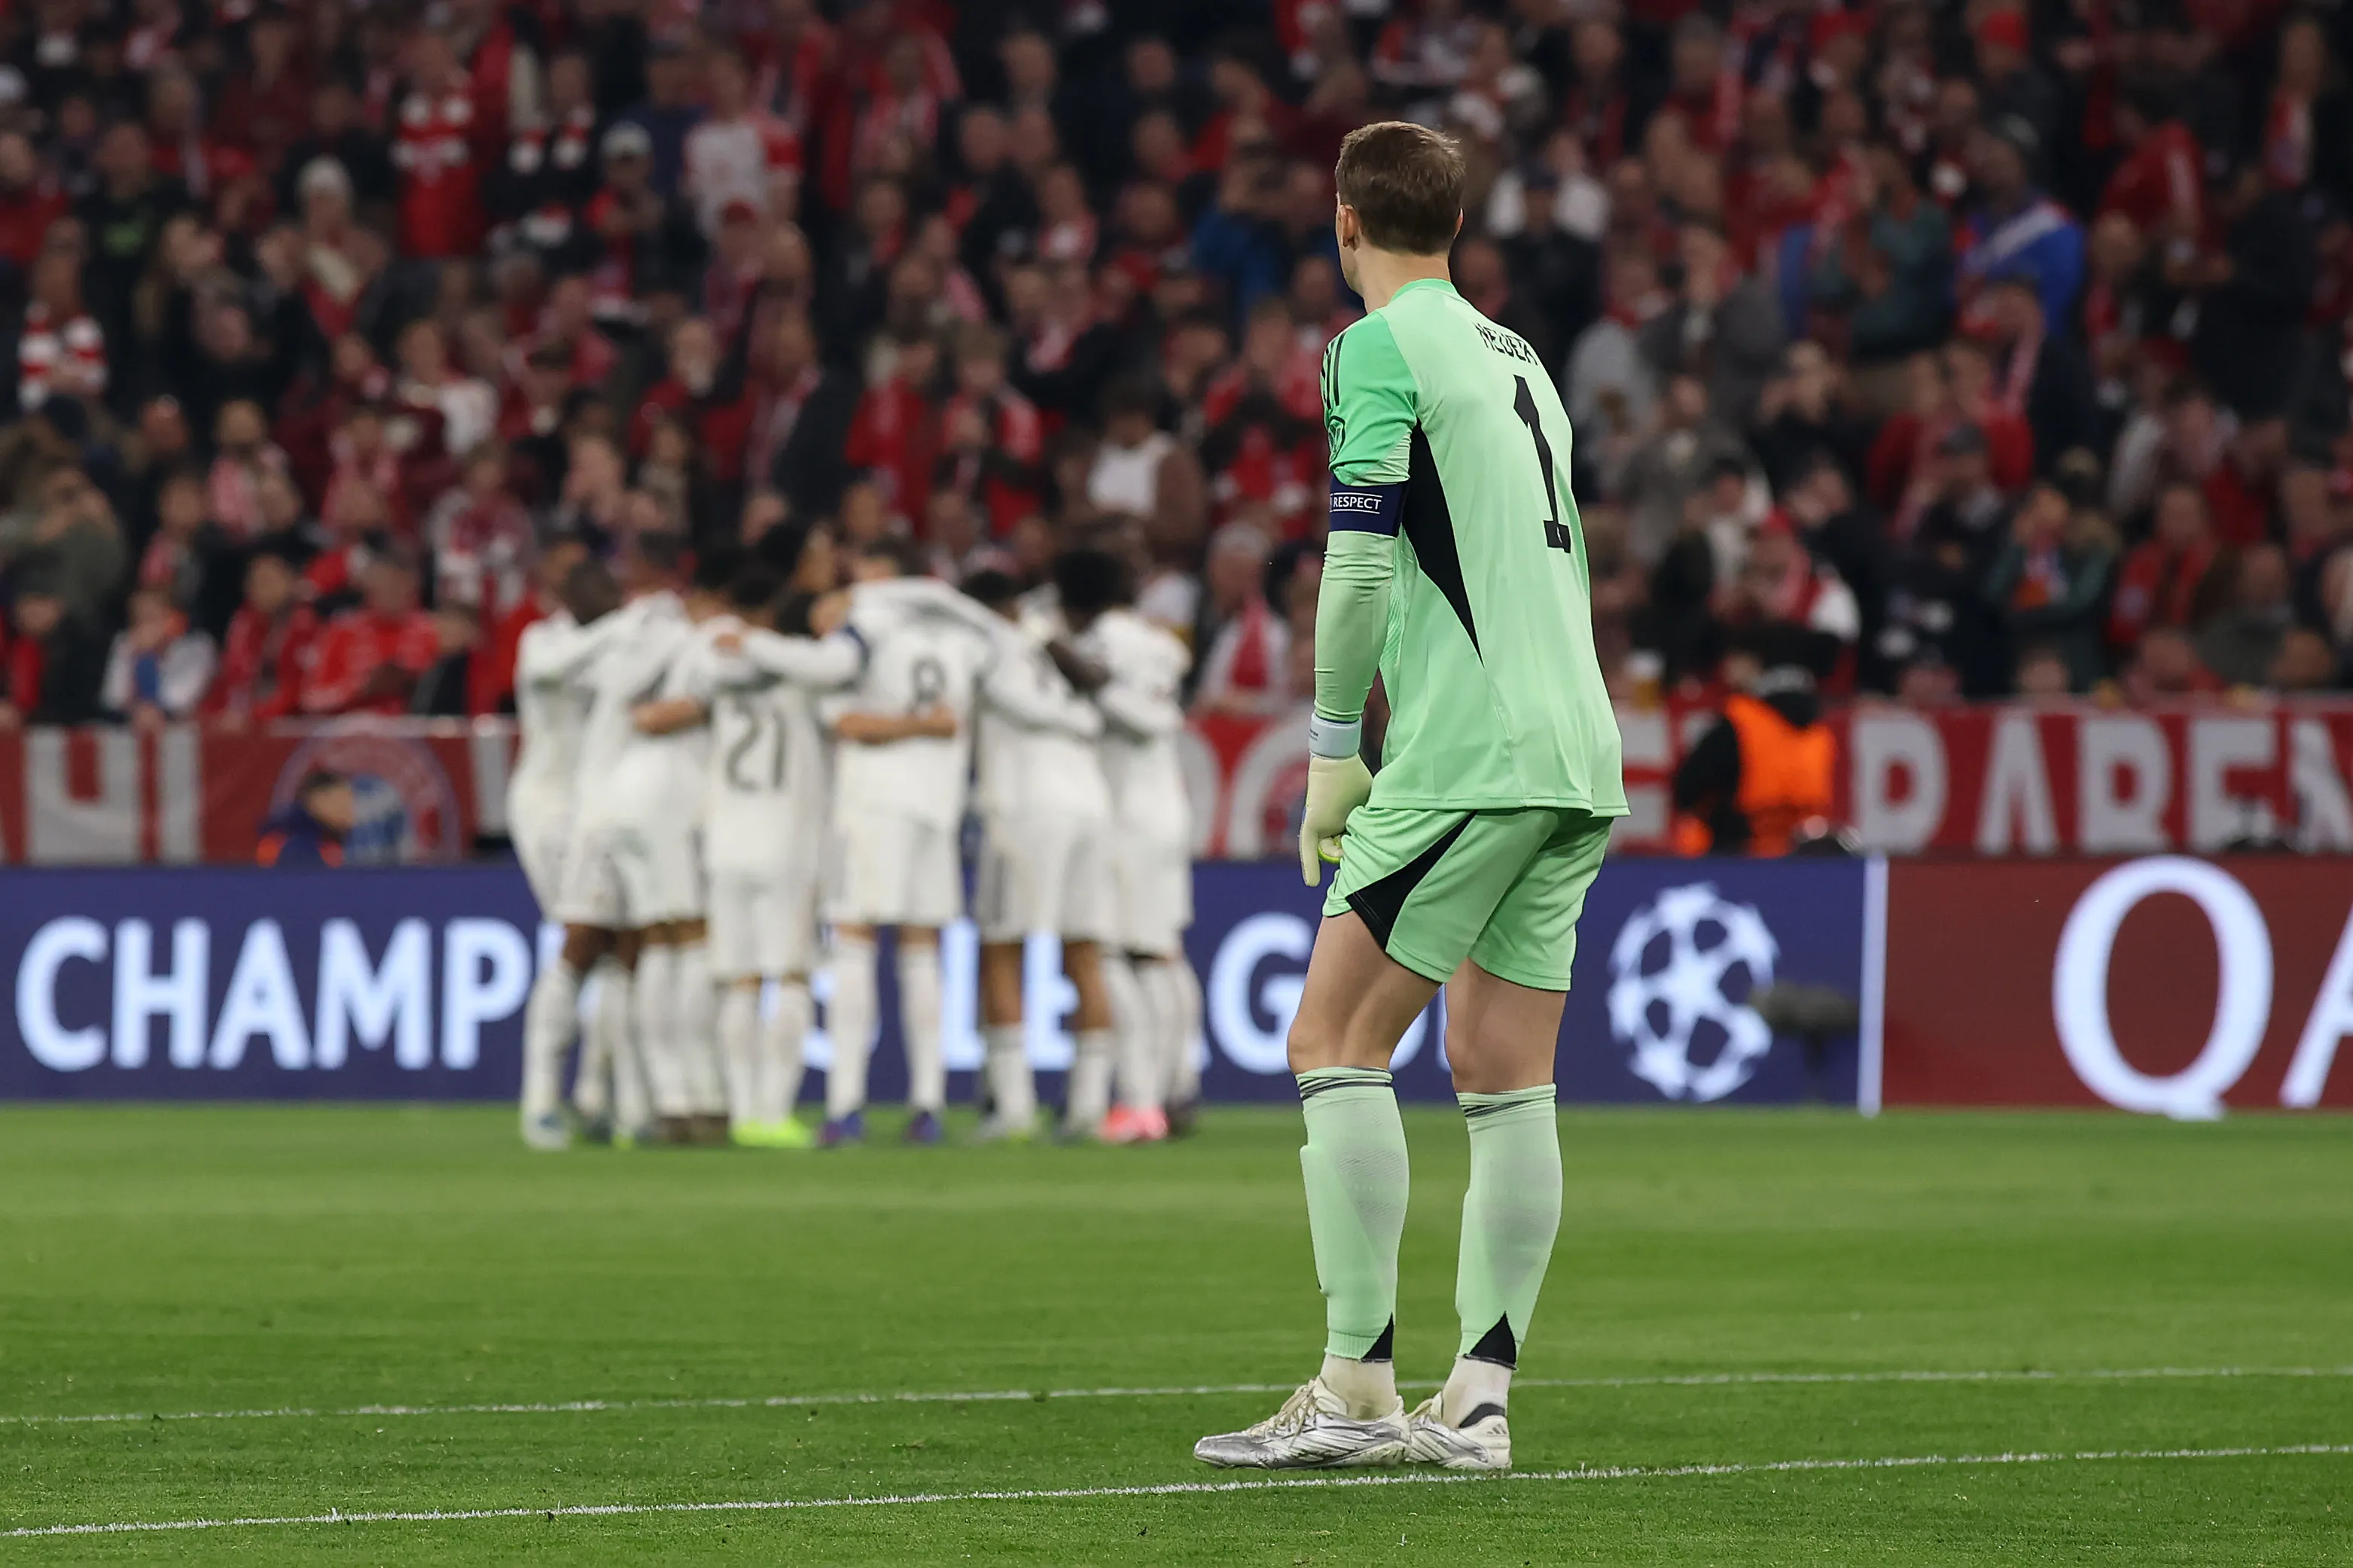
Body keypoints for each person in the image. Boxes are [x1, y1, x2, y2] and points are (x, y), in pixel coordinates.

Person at [1194, 123, 1623, 1474]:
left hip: (1467, 748)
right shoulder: (1522, 360)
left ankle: (1356, 1384)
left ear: (1343, 223)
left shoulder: (1373, 347)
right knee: (1505, 1072)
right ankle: (1481, 1399)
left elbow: (1364, 559)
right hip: (1576, 749)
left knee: (1329, 1037)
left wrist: (1333, 740)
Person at [635, 546, 862, 1149]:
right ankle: (771, 1111)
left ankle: (737, 1110)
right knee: (787, 974)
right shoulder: (806, 677)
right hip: (787, 838)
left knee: (737, 977)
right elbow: (839, 683)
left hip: (726, 838)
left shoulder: (716, 670)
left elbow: (699, 689)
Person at [818, 537, 997, 1146]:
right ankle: (928, 1103)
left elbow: (845, 720)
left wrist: (907, 724)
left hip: (872, 805)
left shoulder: (864, 629)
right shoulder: (961, 640)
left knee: (854, 941)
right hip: (935, 810)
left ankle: (845, 1104)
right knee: (922, 950)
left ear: (879, 573)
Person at [963, 568, 1119, 1143]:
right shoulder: (1050, 646)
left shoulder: (982, 647)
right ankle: (1086, 1109)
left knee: (1001, 950)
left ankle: (1013, 1110)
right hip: (1088, 802)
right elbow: (1096, 694)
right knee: (1084, 954)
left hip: (1024, 807)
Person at [1059, 546, 1200, 1141]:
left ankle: (1140, 1102)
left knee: (1117, 953)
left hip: (1125, 814)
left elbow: (1137, 714)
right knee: (1161, 952)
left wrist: (1074, 670)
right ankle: (1177, 1087)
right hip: (1166, 805)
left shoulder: (1102, 645)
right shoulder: (1163, 642)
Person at [510, 549, 623, 1150]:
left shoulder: (616, 644)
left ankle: (596, 1094)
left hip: (599, 809)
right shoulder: (542, 640)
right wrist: (624, 630)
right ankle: (540, 1101)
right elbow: (556, 672)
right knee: (580, 940)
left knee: (608, 950)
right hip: (549, 811)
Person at [1669, 664, 1837, 855]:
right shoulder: (1820, 731)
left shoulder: (1741, 721)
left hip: (1741, 844)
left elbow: (1689, 785)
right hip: (1804, 847)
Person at [256, 770, 356, 867]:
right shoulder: (298, 845)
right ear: (317, 802)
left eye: (350, 800)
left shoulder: (336, 839)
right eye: (340, 802)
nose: (349, 810)